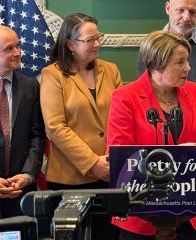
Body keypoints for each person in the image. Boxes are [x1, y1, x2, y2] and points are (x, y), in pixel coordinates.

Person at [108, 31, 196, 240]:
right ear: (157, 65)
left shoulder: (195, 92)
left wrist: (190, 150)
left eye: (187, 60)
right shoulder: (125, 97)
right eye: (180, 62)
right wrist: (172, 159)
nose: (188, 68)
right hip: (141, 213)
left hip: (190, 206)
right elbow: (120, 153)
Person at [40, 13, 123, 190]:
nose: (97, 44)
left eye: (98, 37)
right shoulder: (53, 75)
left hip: (111, 170)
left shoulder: (111, 70)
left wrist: (109, 158)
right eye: (90, 40)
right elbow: (56, 127)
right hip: (70, 177)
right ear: (70, 44)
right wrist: (93, 163)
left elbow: (122, 118)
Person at [138, 0, 196, 134]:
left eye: (193, 12)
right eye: (180, 10)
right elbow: (142, 94)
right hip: (156, 132)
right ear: (168, 8)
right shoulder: (150, 45)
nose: (186, 17)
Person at [0, 25, 46, 220]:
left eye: (18, 46)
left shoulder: (30, 86)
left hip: (21, 191)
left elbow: (37, 136)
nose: (17, 52)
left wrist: (28, 174)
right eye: (9, 48)